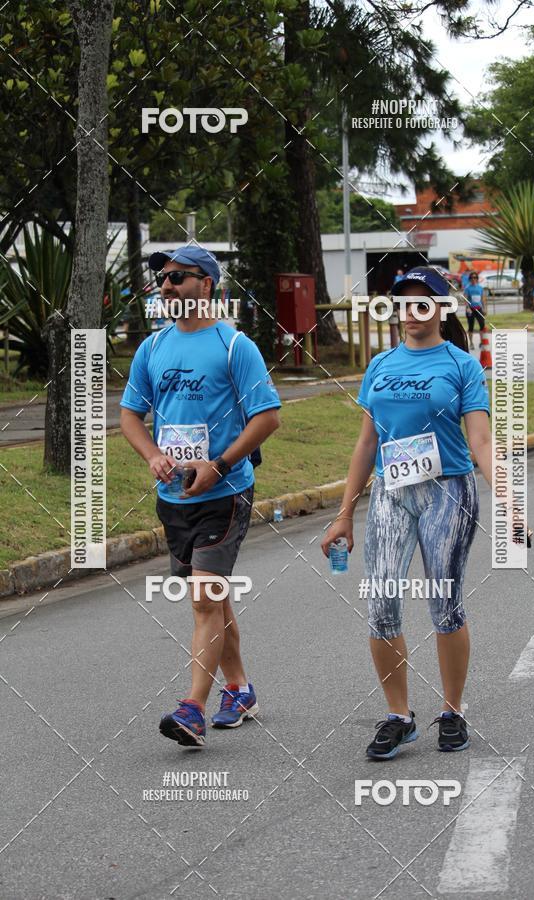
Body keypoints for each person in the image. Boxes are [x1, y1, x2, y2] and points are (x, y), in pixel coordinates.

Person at [321, 266, 493, 759]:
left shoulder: (461, 366)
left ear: (442, 308)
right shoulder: (380, 365)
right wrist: (344, 514)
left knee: (444, 601)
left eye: (423, 302)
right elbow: (366, 443)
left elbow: (480, 440)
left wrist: (510, 499)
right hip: (391, 492)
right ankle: (399, 716)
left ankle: (453, 711)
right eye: (403, 303)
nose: (411, 311)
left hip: (448, 491)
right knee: (381, 604)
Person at [120, 245, 281, 748]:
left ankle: (192, 708)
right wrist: (151, 454)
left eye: (178, 277)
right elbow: (130, 415)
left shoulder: (235, 346)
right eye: (163, 279)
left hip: (225, 492)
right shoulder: (153, 347)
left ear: (206, 284)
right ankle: (240, 688)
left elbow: (267, 417)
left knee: (204, 597)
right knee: (214, 596)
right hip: (174, 497)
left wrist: (220, 465)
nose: (166, 286)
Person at [463, 271, 486, 350]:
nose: (473, 279)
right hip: (471, 309)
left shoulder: (480, 288)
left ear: (477, 279)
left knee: (482, 325)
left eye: (475, 277)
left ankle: (481, 342)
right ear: (470, 279)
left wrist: (484, 308)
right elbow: (465, 299)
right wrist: (467, 308)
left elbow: (483, 299)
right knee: (471, 327)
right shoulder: (467, 288)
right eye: (472, 278)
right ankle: (471, 343)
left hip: (479, 309)